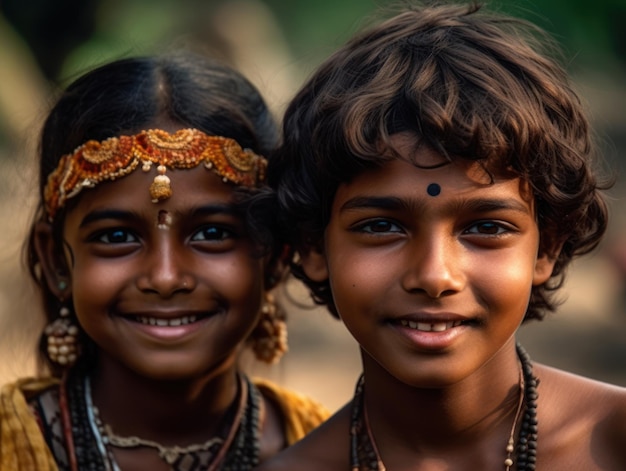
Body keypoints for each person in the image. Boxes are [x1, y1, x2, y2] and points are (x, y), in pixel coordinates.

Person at [260, 2, 626, 470]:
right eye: (381, 226)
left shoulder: (613, 442)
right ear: (313, 246)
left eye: (486, 228)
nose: (434, 276)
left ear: (547, 247)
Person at [0, 52, 329, 470]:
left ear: (277, 256)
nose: (166, 277)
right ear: (56, 263)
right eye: (116, 237)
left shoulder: (333, 451)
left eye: (212, 234)